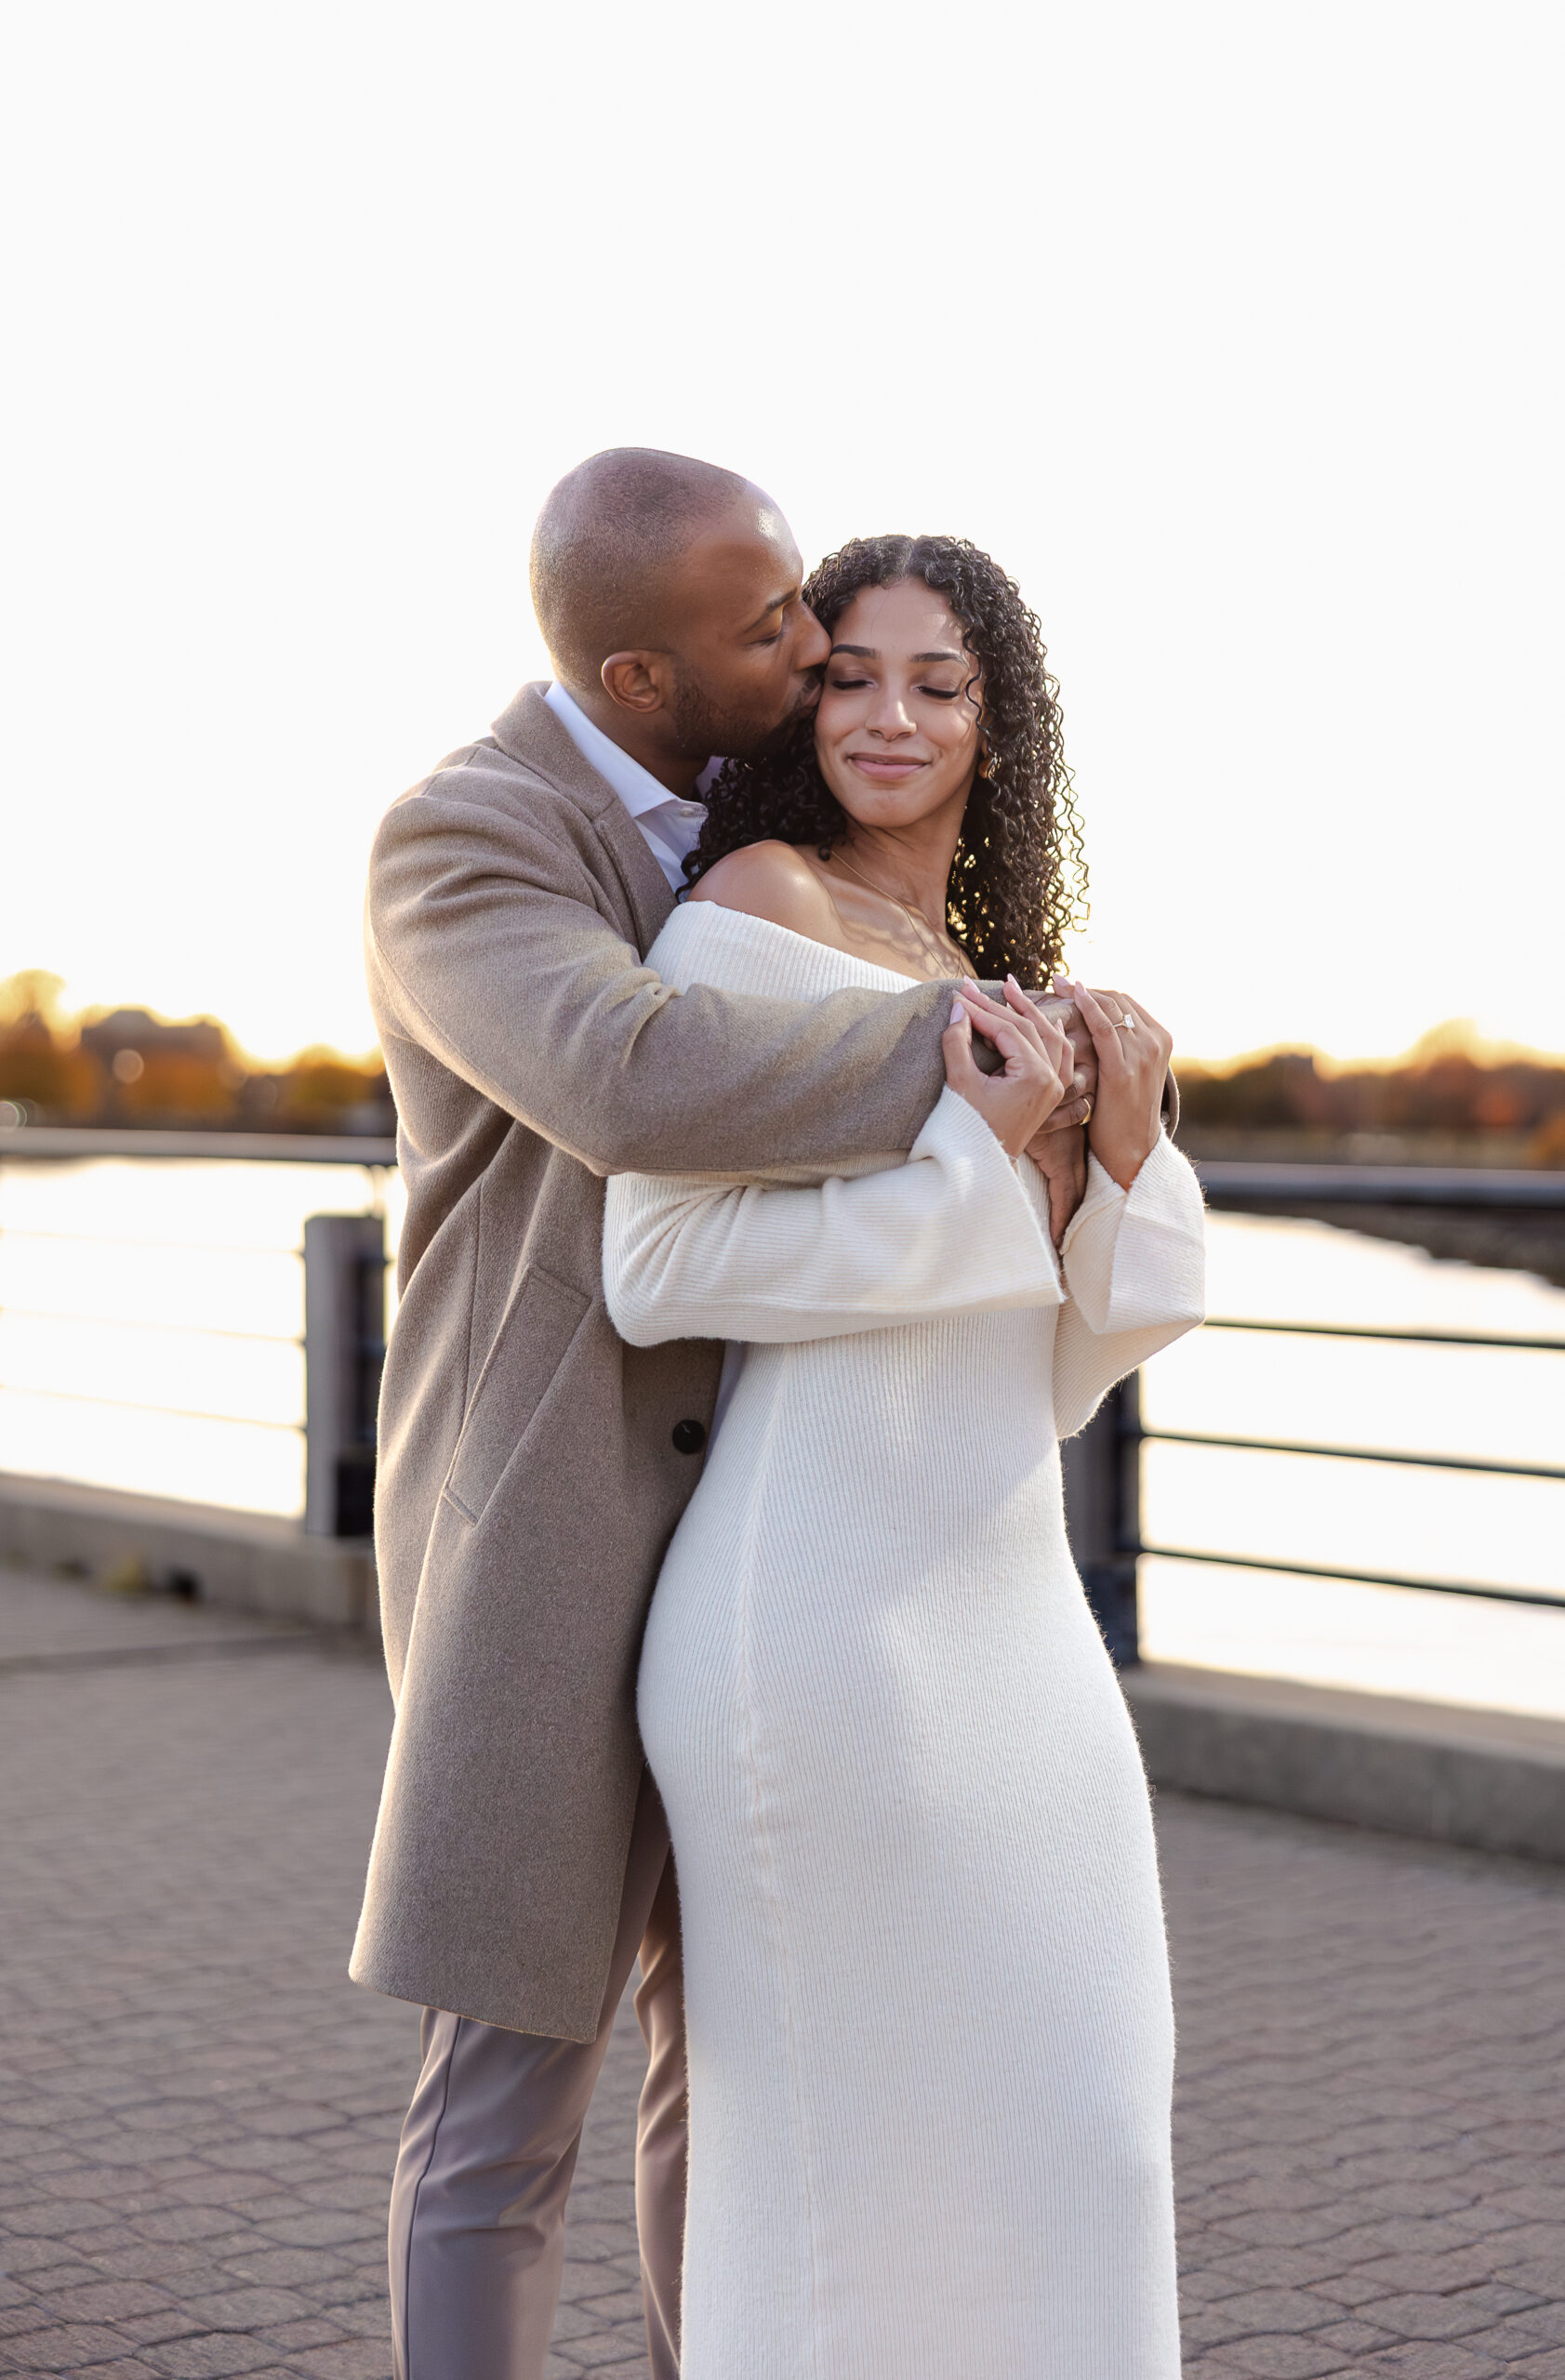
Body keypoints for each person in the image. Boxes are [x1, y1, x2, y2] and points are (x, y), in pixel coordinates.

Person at [351, 455, 1114, 2379]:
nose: (805, 655)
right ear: (632, 672)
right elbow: (628, 1074)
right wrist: (983, 1038)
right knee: (505, 2097)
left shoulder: (725, 817)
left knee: (733, 2072)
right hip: (550, 1514)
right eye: (769, 627)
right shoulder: (464, 836)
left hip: (760, 1539)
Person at [603, 535, 1205, 2377]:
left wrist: (1107, 1145)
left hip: (1008, 1610)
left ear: (994, 725)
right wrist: (976, 1165)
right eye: (848, 674)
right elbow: (653, 1266)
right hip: (816, 1621)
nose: (888, 712)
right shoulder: (743, 916)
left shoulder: (982, 970)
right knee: (839, 2168)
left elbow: (1041, 1364)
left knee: (1079, 2130)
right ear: (800, 705)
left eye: (936, 682)